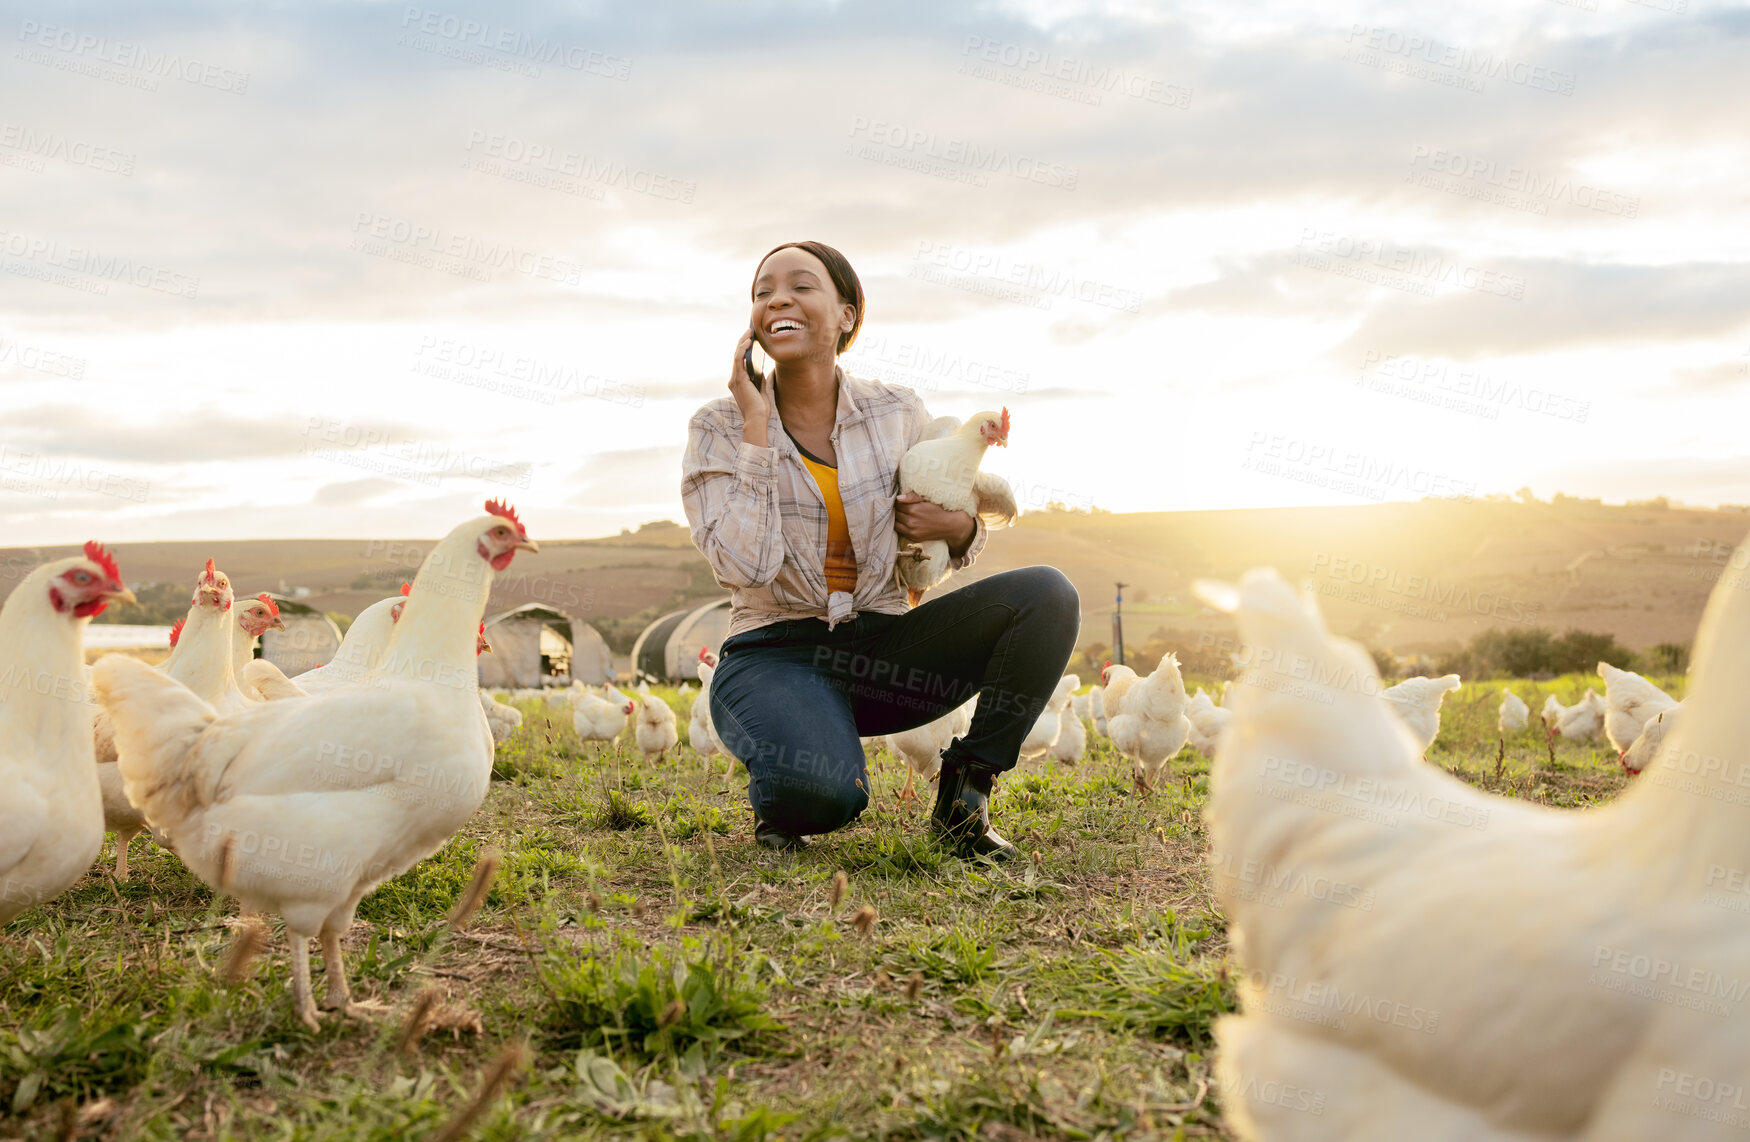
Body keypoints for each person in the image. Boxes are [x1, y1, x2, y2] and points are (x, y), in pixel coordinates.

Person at [680, 240, 1078, 859]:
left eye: (801, 285)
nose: (777, 298)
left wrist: (959, 530)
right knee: (822, 798)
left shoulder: (897, 412)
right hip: (773, 656)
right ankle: (789, 773)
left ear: (846, 313)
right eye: (763, 292)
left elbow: (947, 521)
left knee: (1047, 594)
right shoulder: (718, 426)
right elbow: (744, 566)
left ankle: (965, 796)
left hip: (884, 649)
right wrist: (756, 430)